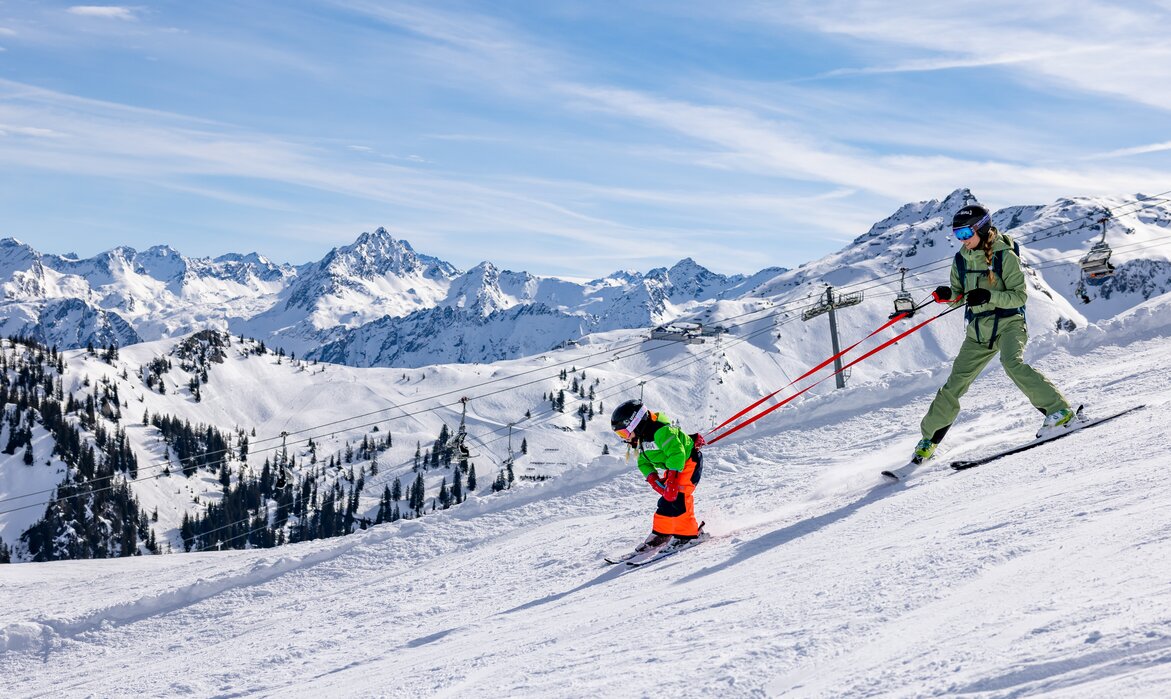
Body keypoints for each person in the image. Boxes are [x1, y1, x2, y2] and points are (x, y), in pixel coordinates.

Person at [912, 204, 1076, 464]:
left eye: (966, 234)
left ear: (981, 228)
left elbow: (1019, 296)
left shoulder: (1004, 256)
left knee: (1013, 363)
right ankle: (929, 441)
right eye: (958, 235)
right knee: (954, 385)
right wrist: (948, 296)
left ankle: (1060, 413)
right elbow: (959, 297)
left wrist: (989, 295)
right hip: (978, 331)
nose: (963, 241)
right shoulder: (960, 260)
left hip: (1009, 323)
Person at [610, 399, 703, 552]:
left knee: (680, 496)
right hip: (674, 467)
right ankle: (662, 533)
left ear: (636, 423)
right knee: (666, 501)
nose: (624, 437)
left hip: (688, 462)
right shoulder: (640, 439)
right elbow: (643, 463)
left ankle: (688, 535)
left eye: (624, 432)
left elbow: (677, 453)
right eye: (620, 434)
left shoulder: (660, 431)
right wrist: (653, 480)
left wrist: (672, 479)